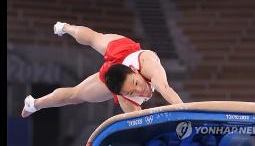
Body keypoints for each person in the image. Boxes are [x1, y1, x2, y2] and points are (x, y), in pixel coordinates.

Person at [21, 22, 183, 117]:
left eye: (135, 83)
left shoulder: (149, 65)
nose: (139, 89)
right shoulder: (126, 99)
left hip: (123, 50)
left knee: (94, 38)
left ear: (134, 70)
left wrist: (186, 112)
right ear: (121, 95)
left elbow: (166, 90)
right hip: (117, 77)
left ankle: (65, 28)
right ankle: (34, 104)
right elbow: (138, 122)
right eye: (132, 92)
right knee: (74, 95)